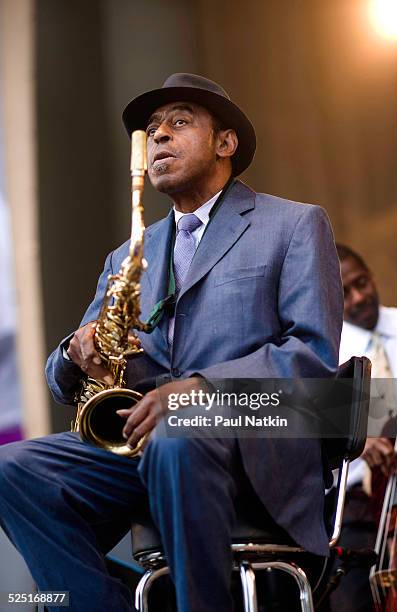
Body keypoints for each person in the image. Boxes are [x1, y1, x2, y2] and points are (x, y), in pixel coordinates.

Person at [0, 73, 343, 612]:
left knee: (177, 434)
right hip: (147, 447)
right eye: (152, 129)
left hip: (253, 440)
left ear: (225, 144)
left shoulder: (294, 224)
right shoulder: (127, 254)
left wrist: (191, 394)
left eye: (179, 122)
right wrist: (75, 351)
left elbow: (311, 358)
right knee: (12, 469)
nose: (157, 136)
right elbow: (62, 381)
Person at [330, 243, 397, 612]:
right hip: (357, 510)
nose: (359, 297)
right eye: (345, 293)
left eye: (362, 283)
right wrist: (357, 439)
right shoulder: (325, 358)